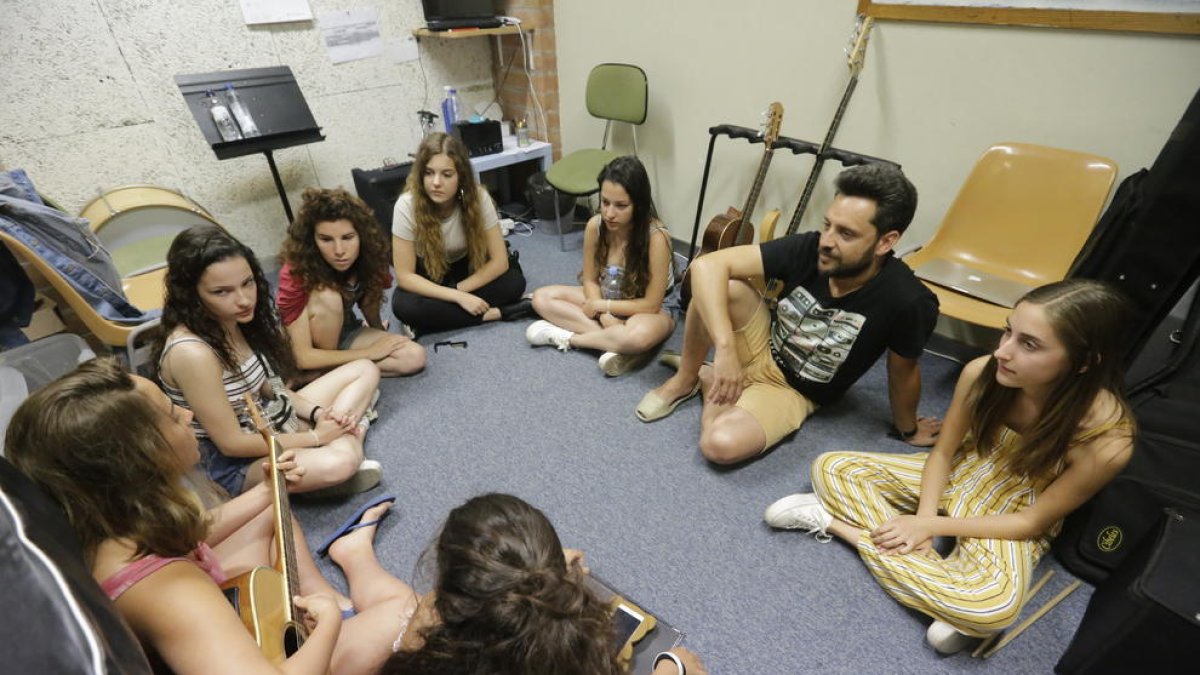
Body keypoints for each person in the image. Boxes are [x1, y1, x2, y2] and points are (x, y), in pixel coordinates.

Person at [763, 279, 1136, 653]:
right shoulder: (983, 371)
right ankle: (947, 594)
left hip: (1012, 513)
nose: (1003, 352)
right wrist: (924, 520)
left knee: (994, 610)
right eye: (1008, 332)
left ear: (1084, 362)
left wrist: (929, 524)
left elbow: (1031, 522)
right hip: (962, 473)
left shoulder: (1108, 440)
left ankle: (837, 526)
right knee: (832, 467)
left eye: (1029, 344)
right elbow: (942, 453)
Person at [5, 358, 418, 675]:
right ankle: (353, 558)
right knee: (408, 612)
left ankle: (329, 578)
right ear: (138, 457)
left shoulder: (100, 526)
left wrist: (266, 492)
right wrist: (327, 623)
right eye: (171, 413)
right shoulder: (172, 591)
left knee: (270, 512)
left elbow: (186, 535)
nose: (187, 415)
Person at [637, 163, 941, 465]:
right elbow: (706, 266)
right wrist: (726, 350)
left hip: (792, 390)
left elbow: (903, 372)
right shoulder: (810, 246)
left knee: (718, 445)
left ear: (886, 242)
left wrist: (909, 429)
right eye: (828, 225)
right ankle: (687, 378)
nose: (827, 241)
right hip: (761, 344)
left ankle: (710, 378)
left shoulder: (909, 300)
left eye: (846, 234)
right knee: (719, 287)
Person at [155, 225, 382, 497]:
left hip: (267, 417)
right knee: (339, 463)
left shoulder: (233, 319)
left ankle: (342, 444)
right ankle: (350, 439)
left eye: (247, 283)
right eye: (222, 292)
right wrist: (317, 437)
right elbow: (232, 444)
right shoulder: (192, 353)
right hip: (234, 463)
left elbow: (269, 387)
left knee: (365, 370)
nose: (243, 300)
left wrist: (319, 414)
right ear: (191, 295)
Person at [381, 493, 707, 675]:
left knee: (392, 605)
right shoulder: (575, 657)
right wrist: (672, 669)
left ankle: (355, 557)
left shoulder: (427, 650)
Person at [525, 156, 677, 377]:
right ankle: (619, 345)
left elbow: (651, 304)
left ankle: (570, 339)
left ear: (639, 205)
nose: (609, 213)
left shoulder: (656, 238)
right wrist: (604, 312)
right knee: (541, 298)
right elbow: (589, 280)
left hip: (650, 308)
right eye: (605, 202)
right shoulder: (595, 226)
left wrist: (603, 307)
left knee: (637, 336)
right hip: (608, 295)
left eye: (621, 206)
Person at [390, 132, 535, 335]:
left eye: (447, 174)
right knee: (403, 305)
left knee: (513, 283)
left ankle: (430, 323)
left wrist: (459, 291)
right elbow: (405, 276)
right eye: (429, 173)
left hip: (467, 269)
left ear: (461, 177)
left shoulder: (478, 197)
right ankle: (499, 313)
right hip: (430, 274)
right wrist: (458, 298)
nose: (436, 182)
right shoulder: (406, 205)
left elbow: (499, 261)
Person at [278, 187, 426, 377]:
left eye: (348, 237)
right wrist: (369, 353)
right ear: (311, 240)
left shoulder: (372, 254)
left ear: (361, 236)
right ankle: (331, 371)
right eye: (326, 239)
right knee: (328, 296)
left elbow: (370, 299)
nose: (339, 250)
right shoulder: (295, 271)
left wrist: (380, 334)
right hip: (305, 344)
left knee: (414, 356)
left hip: (345, 331)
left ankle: (329, 373)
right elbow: (302, 356)